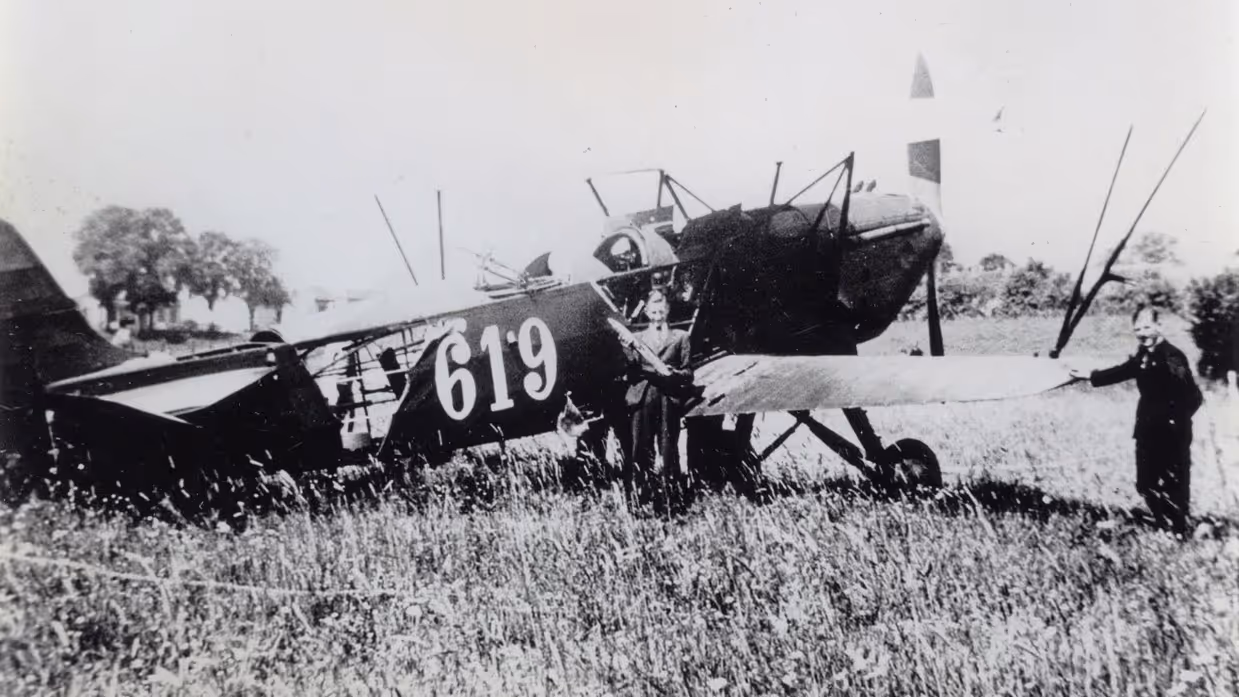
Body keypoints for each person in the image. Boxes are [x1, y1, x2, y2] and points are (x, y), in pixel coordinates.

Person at [1070, 305, 1203, 536]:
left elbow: (1193, 396)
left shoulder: (1173, 356)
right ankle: (1164, 524)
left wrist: (1176, 422)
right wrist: (1089, 376)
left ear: (1159, 327)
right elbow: (1123, 371)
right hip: (1146, 429)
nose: (1142, 333)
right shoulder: (1143, 354)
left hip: (1172, 432)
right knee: (1145, 483)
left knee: (1174, 482)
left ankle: (1179, 530)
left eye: (1147, 327)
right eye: (1138, 328)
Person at [622, 288, 694, 506]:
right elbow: (629, 371)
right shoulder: (635, 339)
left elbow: (689, 373)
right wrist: (627, 352)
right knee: (639, 450)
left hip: (668, 399)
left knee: (668, 449)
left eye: (661, 309)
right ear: (646, 312)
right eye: (653, 310)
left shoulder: (681, 337)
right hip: (643, 398)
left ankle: (672, 500)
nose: (657, 313)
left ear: (668, 310)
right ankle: (639, 500)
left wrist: (674, 374)